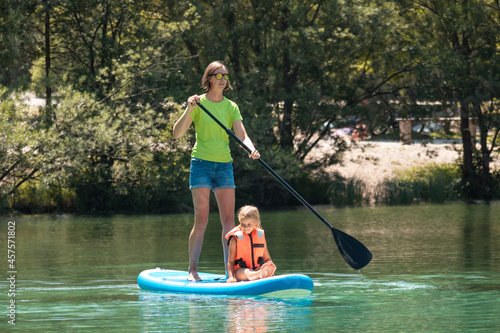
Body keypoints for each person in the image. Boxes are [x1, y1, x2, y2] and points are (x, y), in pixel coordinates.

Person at [172, 61, 261, 281]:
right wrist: (189, 109)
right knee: (201, 220)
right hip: (201, 164)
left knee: (229, 222)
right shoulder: (198, 104)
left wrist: (251, 148)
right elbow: (176, 133)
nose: (223, 80)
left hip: (224, 166)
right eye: (218, 76)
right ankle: (192, 270)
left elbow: (242, 134)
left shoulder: (231, 107)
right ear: (209, 78)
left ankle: (230, 272)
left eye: (225, 76)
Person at [225, 205, 276, 283]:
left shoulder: (260, 235)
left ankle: (262, 273)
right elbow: (230, 262)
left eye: (249, 224)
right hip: (240, 272)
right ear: (239, 221)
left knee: (259, 269)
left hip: (257, 268)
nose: (245, 227)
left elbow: (267, 258)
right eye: (243, 224)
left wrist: (271, 270)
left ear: (255, 223)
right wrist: (231, 277)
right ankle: (259, 274)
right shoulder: (235, 239)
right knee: (247, 272)